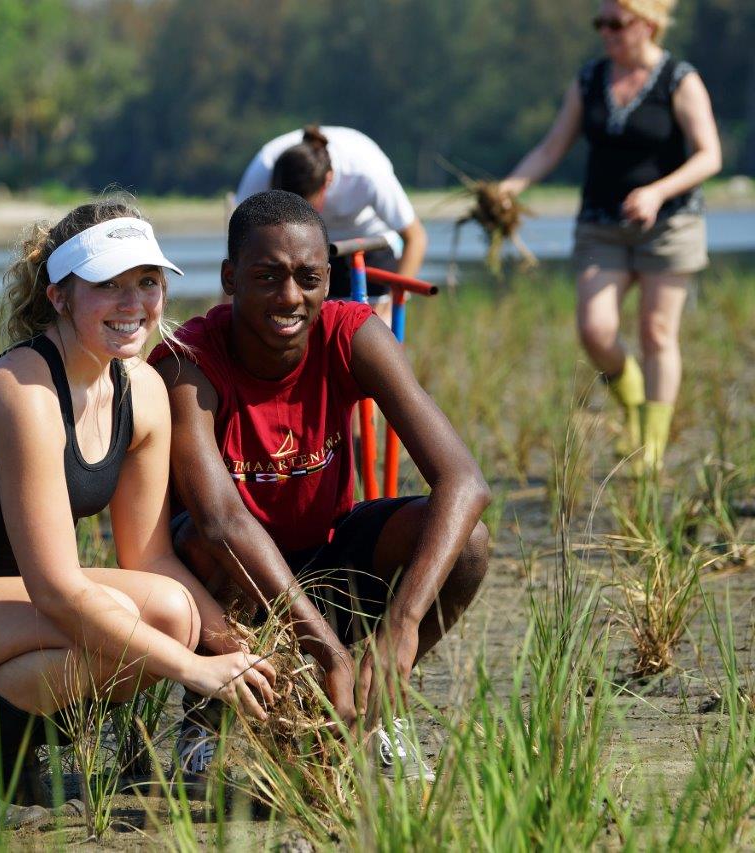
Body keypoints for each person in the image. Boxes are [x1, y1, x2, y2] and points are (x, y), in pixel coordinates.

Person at [0, 199, 276, 821]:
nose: (132, 303)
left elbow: (153, 558)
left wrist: (241, 648)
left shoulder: (141, 390)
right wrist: (198, 671)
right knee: (125, 623)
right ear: (59, 296)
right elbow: (58, 592)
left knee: (172, 613)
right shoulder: (24, 394)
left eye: (147, 282)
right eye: (107, 284)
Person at [149, 190, 490, 781]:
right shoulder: (188, 361)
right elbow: (219, 520)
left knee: (470, 542)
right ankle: (206, 719)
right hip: (230, 585)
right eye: (267, 276)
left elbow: (463, 480)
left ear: (328, 278)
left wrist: (403, 624)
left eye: (308, 278)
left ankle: (378, 706)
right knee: (207, 545)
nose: (290, 297)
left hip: (327, 564)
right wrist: (323, 647)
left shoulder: (352, 333)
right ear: (231, 278)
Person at [500, 0, 721, 472]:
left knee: (656, 331)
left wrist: (658, 192)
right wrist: (509, 188)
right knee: (595, 329)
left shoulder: (679, 79)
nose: (606, 32)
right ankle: (633, 397)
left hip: (669, 224)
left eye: (616, 23)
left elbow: (709, 156)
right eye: (600, 23)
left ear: (648, 24)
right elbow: (551, 147)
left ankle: (652, 446)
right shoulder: (589, 79)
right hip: (601, 223)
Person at [235, 125, 429, 314]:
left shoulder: (366, 172)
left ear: (327, 181)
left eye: (306, 207)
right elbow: (238, 252)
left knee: (372, 331)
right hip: (302, 251)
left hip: (369, 248)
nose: (299, 214)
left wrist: (394, 303)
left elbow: (415, 238)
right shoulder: (263, 169)